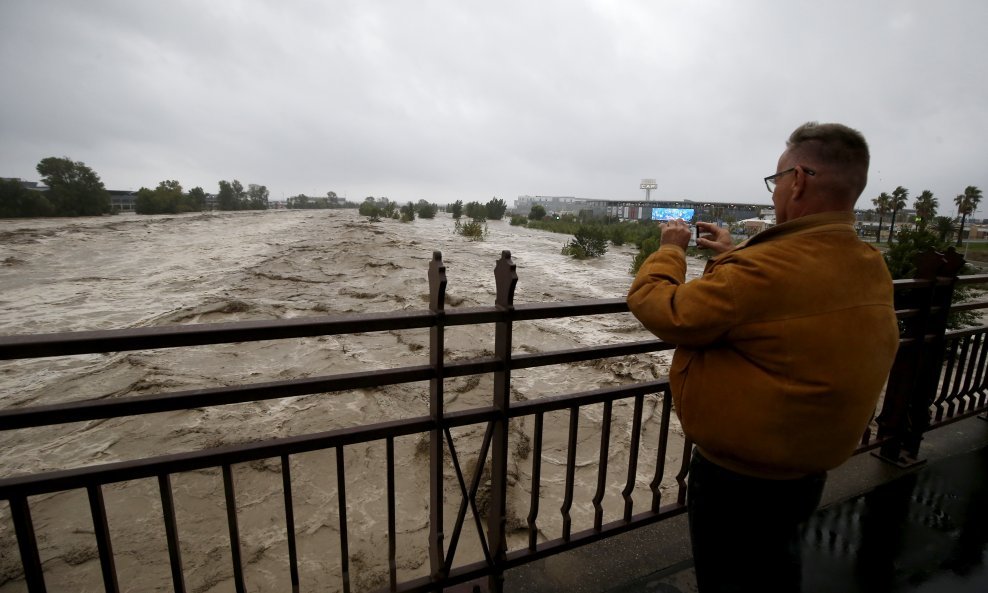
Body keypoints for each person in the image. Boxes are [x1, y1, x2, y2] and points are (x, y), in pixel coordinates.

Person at [626, 122, 900, 592]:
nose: (774, 196)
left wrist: (670, 251)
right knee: (773, 565)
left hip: (741, 481)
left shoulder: (762, 272)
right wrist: (734, 254)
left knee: (731, 576)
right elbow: (778, 304)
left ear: (799, 180)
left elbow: (662, 308)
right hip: (805, 468)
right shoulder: (867, 261)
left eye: (775, 182)